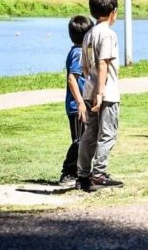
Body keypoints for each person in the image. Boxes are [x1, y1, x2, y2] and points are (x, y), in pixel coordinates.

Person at [75, 0, 124, 192]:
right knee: (107, 134)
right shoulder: (108, 34)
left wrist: (92, 86)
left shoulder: (89, 34)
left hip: (89, 91)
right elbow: (103, 63)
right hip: (106, 93)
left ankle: (83, 174)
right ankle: (99, 174)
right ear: (113, 11)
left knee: (90, 134)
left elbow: (85, 66)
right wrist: (101, 92)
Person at [58, 15, 93, 187]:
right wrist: (80, 102)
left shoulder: (80, 51)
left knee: (86, 139)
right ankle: (68, 172)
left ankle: (82, 172)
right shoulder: (78, 53)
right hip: (77, 106)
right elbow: (72, 79)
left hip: (83, 104)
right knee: (80, 140)